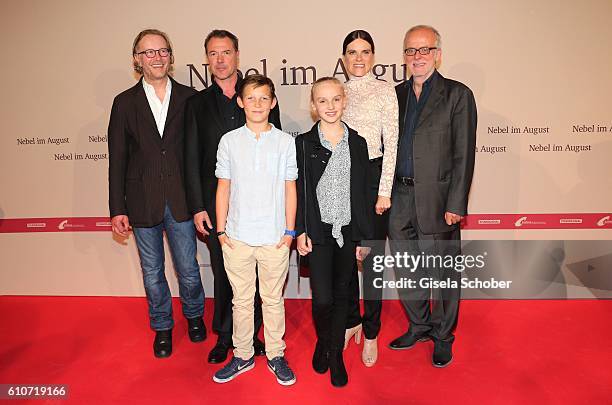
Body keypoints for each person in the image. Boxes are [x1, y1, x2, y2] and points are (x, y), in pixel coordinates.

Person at [184, 30, 280, 364]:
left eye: (226, 52)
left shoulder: (257, 94)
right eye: (213, 54)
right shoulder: (196, 104)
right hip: (219, 205)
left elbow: (276, 146)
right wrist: (198, 206)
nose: (220, 59)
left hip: (261, 205)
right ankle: (226, 337)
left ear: (237, 54)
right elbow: (191, 158)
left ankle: (255, 338)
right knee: (227, 274)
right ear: (206, 59)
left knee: (259, 277)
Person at [108, 29, 205, 358]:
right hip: (141, 200)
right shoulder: (124, 103)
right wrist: (116, 208)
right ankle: (162, 326)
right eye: (148, 52)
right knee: (152, 272)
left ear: (171, 55)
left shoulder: (191, 98)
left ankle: (194, 317)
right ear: (137, 59)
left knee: (188, 269)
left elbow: (199, 154)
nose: (157, 57)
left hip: (181, 199)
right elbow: (117, 159)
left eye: (162, 50)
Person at [388, 25, 477, 368]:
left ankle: (442, 335)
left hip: (439, 201)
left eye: (425, 50)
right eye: (411, 50)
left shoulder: (457, 94)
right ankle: (419, 325)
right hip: (399, 198)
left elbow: (463, 154)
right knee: (408, 268)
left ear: (438, 54)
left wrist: (456, 204)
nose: (418, 57)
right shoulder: (395, 96)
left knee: (442, 273)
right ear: (404, 56)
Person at [212, 74, 297, 386]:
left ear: (273, 102)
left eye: (264, 98)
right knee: (241, 301)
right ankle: (243, 355)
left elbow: (291, 189)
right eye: (251, 98)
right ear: (240, 102)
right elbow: (223, 188)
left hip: (275, 238)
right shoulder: (229, 141)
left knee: (273, 301)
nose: (258, 104)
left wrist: (289, 232)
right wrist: (221, 233)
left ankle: (276, 354)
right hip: (237, 237)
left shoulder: (286, 143)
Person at [296, 77, 374, 387]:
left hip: (349, 232)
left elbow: (364, 193)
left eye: (335, 99)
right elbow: (299, 191)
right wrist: (301, 231)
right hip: (318, 232)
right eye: (322, 101)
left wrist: (365, 236)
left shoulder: (357, 142)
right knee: (322, 300)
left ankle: (335, 353)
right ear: (314, 106)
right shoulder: (303, 143)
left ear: (344, 101)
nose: (330, 106)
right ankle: (324, 341)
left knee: (343, 295)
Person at [341, 30, 399, 367]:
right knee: (345, 259)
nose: (359, 58)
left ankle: (372, 332)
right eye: (352, 52)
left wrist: (384, 191)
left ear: (373, 56)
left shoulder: (384, 90)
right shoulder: (338, 93)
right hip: (343, 181)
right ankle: (352, 321)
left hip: (374, 179)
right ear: (344, 57)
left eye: (365, 51)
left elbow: (391, 143)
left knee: (373, 262)